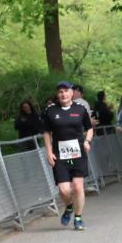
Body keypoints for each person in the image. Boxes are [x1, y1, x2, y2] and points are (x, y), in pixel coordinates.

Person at [43, 81, 94, 231]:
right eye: (60, 92)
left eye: (66, 91)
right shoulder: (50, 111)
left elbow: (89, 128)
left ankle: (78, 218)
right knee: (64, 190)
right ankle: (69, 207)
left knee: (78, 187)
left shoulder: (80, 109)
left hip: (78, 153)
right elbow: (46, 132)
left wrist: (87, 141)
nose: (63, 94)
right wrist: (48, 151)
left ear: (71, 93)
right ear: (57, 95)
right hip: (60, 155)